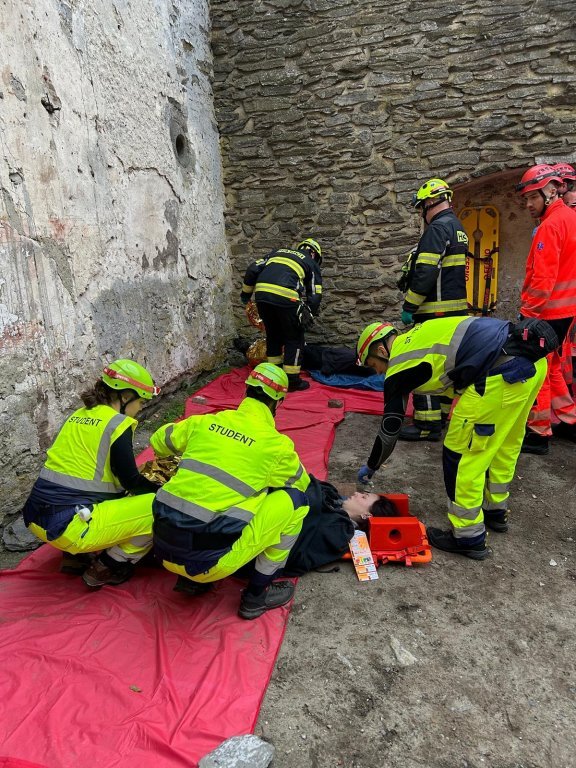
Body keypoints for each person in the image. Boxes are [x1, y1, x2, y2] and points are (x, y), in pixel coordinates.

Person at [355, 317, 556, 560]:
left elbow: (390, 431)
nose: (377, 372)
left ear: (380, 350)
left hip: (500, 374)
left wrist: (372, 465)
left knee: (461, 455)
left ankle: (468, 536)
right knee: (504, 444)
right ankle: (495, 511)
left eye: (373, 365)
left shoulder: (399, 366)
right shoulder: (420, 333)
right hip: (533, 364)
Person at [150, 363, 311, 620]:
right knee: (296, 501)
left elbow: (159, 441)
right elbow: (300, 483)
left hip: (162, 549)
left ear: (246, 391)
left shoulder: (205, 422)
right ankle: (256, 595)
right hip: (210, 563)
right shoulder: (276, 446)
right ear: (277, 402)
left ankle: (190, 581)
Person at [23, 360, 162, 587]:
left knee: (98, 493)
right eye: (141, 402)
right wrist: (162, 490)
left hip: (36, 517)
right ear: (126, 396)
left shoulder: (78, 415)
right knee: (158, 506)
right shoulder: (117, 424)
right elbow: (130, 481)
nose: (140, 408)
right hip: (69, 527)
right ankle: (109, 565)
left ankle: (75, 558)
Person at [397, 178, 469, 442]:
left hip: (434, 313)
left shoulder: (437, 229)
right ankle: (440, 418)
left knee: (423, 364)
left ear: (429, 202)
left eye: (421, 207)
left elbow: (426, 273)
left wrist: (409, 306)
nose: (421, 213)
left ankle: (426, 425)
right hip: (455, 313)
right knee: (446, 368)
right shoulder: (458, 228)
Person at [516, 163, 576, 454]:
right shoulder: (570, 218)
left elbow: (542, 279)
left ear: (551, 192)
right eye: (526, 198)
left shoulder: (550, 226)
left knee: (536, 369)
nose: (529, 204)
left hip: (546, 314)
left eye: (533, 197)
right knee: (552, 368)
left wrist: (527, 315)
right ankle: (570, 420)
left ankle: (538, 433)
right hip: (566, 312)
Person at [240, 238, 323, 391]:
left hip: (262, 297)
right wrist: (309, 312)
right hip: (287, 297)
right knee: (294, 337)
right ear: (313, 253)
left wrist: (245, 295)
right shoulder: (310, 262)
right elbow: (315, 292)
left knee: (273, 336)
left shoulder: (276, 253)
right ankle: (292, 380)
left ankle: (274, 375)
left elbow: (252, 269)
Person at [282, 480, 399, 576]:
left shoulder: (339, 530)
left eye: (363, 497)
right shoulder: (334, 500)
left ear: (366, 515)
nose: (356, 493)